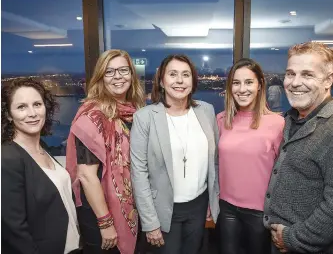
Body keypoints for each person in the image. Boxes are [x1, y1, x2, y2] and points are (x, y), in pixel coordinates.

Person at [130, 54, 220, 254]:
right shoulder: (144, 118)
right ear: (161, 81)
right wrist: (150, 222)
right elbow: (139, 173)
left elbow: (215, 162)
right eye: (173, 74)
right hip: (163, 210)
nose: (180, 80)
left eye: (185, 75)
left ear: (193, 80)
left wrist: (212, 202)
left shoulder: (206, 111)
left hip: (199, 205)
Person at [66, 49, 145, 254]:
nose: (117, 76)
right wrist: (105, 223)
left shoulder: (135, 112)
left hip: (129, 207)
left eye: (123, 70)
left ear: (132, 75)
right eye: (109, 72)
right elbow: (86, 175)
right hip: (99, 213)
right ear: (101, 78)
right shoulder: (92, 117)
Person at [264, 42, 333, 254]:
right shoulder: (288, 120)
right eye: (290, 73)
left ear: (328, 80)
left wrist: (292, 238)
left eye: (307, 75)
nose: (295, 83)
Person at [1, 79, 80, 254]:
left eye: (37, 104)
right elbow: (14, 231)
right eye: (21, 107)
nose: (32, 113)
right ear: (8, 114)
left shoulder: (42, 147)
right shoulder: (7, 158)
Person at [216, 58, 285, 254]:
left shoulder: (277, 123)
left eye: (249, 82)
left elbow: (284, 173)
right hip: (227, 208)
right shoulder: (221, 120)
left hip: (261, 213)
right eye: (236, 83)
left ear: (259, 85)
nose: (242, 89)